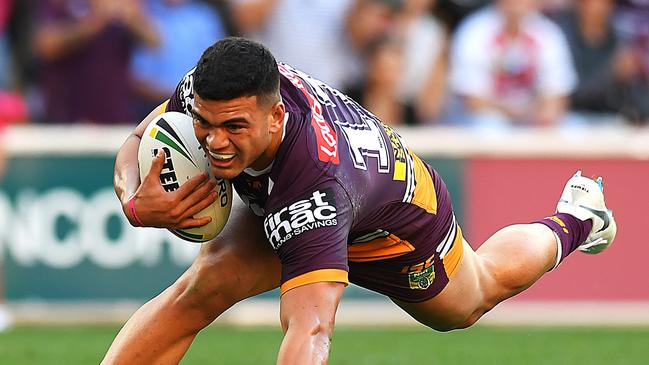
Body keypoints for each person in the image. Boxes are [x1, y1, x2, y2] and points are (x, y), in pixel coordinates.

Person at [103, 37, 617, 364]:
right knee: (200, 289)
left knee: (471, 298)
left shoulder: (319, 187)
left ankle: (576, 218)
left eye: (233, 127)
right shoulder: (217, 89)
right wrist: (132, 199)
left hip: (398, 219)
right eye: (205, 125)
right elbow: (136, 142)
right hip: (290, 195)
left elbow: (312, 326)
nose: (213, 142)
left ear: (276, 117)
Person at [449, 0, 576, 128]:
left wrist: (545, 113)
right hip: (486, 119)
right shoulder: (475, 30)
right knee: (489, 125)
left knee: (572, 127)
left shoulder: (548, 32)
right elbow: (472, 101)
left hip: (531, 118)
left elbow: (557, 94)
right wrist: (513, 112)